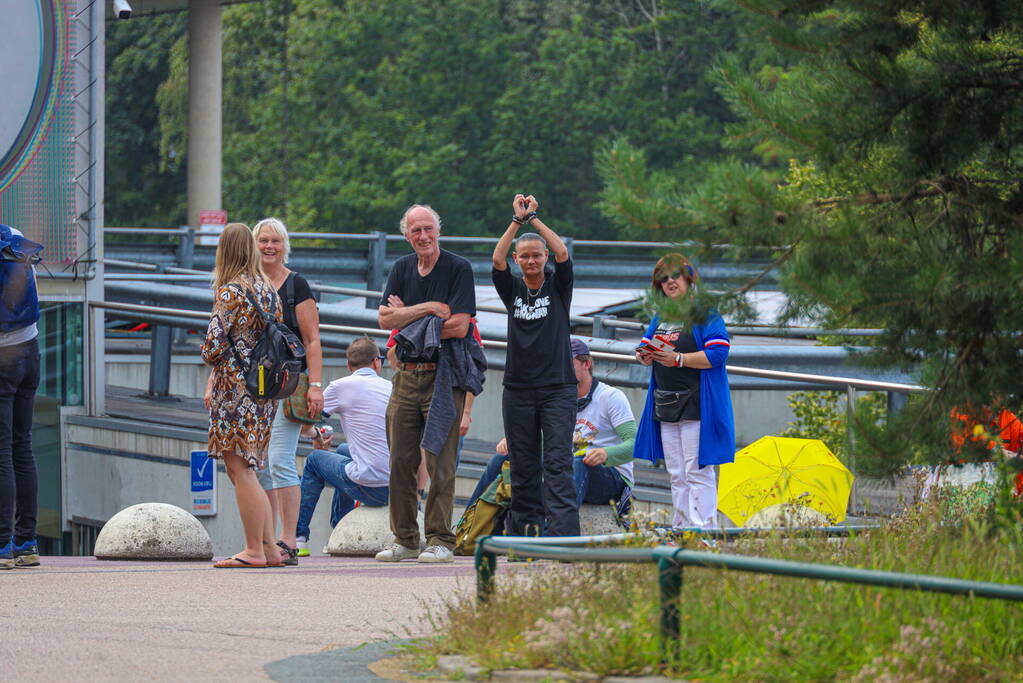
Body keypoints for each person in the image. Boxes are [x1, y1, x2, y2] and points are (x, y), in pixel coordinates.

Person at [375, 204, 479, 563]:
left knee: (440, 462)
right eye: (416, 230)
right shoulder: (402, 268)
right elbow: (384, 320)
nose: (423, 236)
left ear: (439, 230)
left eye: (428, 229)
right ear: (407, 236)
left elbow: (460, 326)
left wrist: (405, 317)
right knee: (399, 460)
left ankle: (440, 539)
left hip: (444, 375)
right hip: (405, 375)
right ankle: (405, 538)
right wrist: (431, 308)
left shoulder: (458, 268)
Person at [492, 194, 579, 537]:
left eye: (536, 255)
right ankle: (525, 538)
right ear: (517, 259)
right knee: (523, 465)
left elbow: (563, 253)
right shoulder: (512, 288)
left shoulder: (558, 285)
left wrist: (534, 219)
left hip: (558, 388)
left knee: (558, 463)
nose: (531, 261)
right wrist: (516, 222)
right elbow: (496, 259)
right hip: (518, 389)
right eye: (525, 256)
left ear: (545, 258)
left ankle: (563, 538)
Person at [466, 339, 636, 513]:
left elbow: (635, 445)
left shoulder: (610, 397)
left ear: (586, 364)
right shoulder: (557, 398)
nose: (561, 369)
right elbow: (542, 439)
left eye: (567, 363)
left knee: (577, 464)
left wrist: (606, 453)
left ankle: (555, 526)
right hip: (565, 467)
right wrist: (516, 442)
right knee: (502, 460)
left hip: (609, 476)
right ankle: (469, 523)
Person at [200, 222, 283, 568]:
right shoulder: (268, 290)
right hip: (263, 390)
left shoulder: (230, 293)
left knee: (241, 470)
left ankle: (253, 550)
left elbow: (212, 348)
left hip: (235, 392)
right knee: (249, 469)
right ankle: (270, 548)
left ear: (224, 252)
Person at [633, 253, 735, 530]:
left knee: (697, 471)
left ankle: (703, 532)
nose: (670, 282)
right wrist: (644, 355)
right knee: (676, 473)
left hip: (698, 404)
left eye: (675, 276)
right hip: (666, 403)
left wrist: (679, 359)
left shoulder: (705, 313)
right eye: (663, 279)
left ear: (689, 279)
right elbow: (645, 344)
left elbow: (719, 353)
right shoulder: (661, 315)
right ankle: (681, 528)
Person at [294, 337, 391, 551]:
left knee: (315, 460)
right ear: (377, 362)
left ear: (348, 365)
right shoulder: (390, 387)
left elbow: (304, 425)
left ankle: (298, 538)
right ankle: (339, 525)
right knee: (343, 450)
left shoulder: (340, 386)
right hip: (397, 488)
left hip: (372, 488)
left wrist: (316, 436)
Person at [0, 224, 43, 569]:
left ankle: (1, 544)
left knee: (1, 450)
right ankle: (26, 541)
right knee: (22, 445)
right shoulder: (14, 236)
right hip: (29, 350)